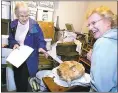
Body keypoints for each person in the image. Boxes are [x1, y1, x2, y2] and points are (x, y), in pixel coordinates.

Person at [8, 2, 48, 92]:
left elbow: (40, 39)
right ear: (17, 14)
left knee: (24, 80)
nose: (25, 18)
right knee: (17, 77)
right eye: (22, 16)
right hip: (17, 56)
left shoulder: (33, 25)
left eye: (27, 15)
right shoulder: (13, 25)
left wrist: (41, 47)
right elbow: (11, 38)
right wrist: (14, 44)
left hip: (30, 57)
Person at [86, 6, 117, 92]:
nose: (90, 28)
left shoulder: (103, 43)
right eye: (88, 25)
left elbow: (101, 88)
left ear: (108, 21)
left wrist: (94, 60)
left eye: (94, 22)